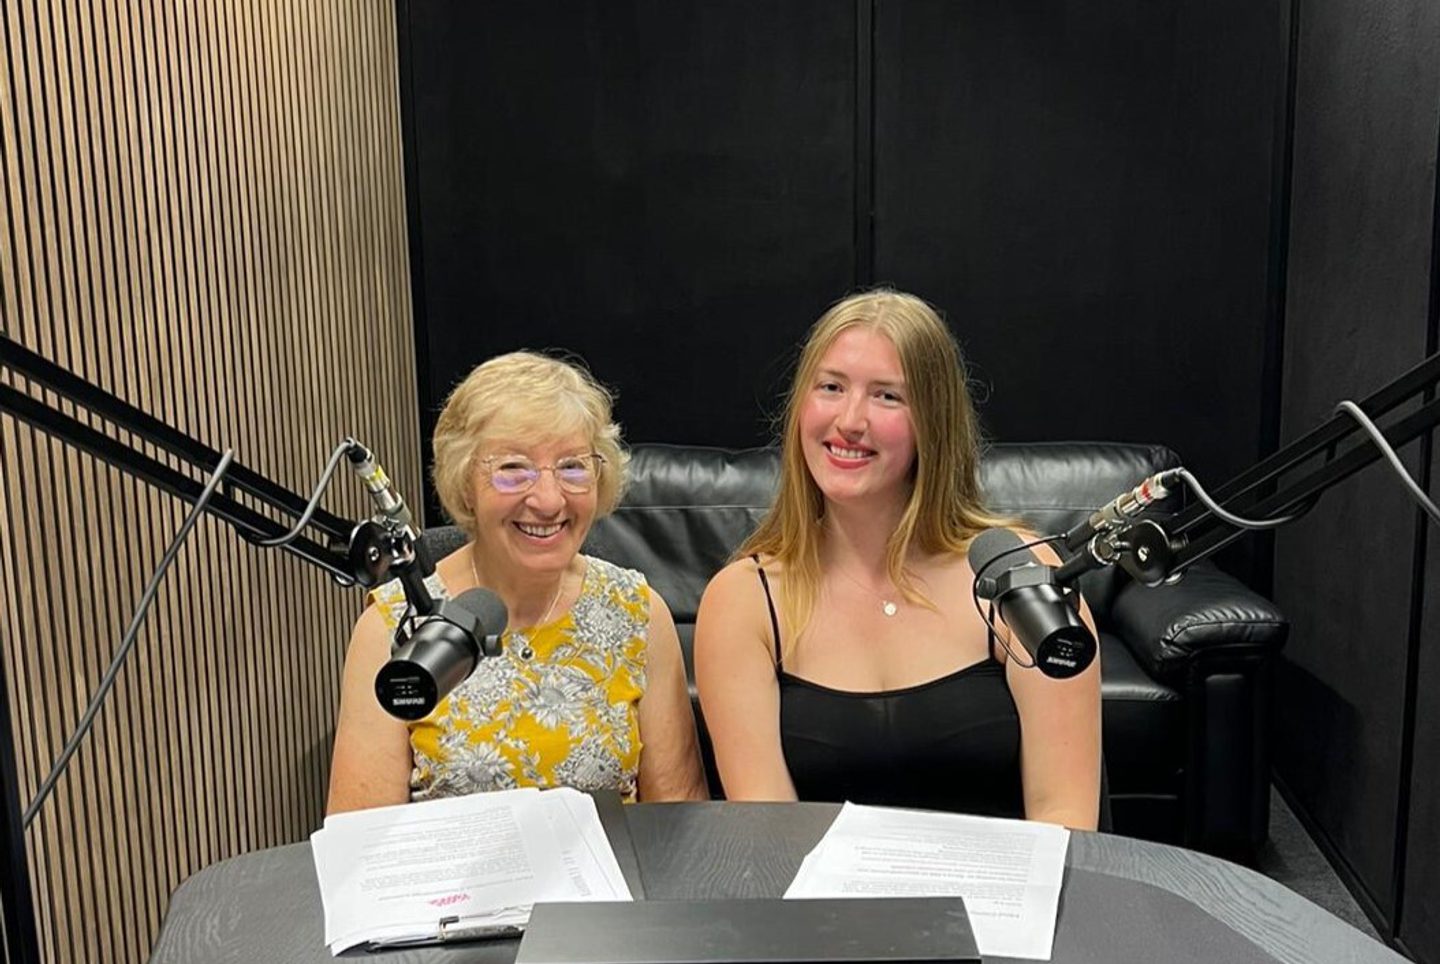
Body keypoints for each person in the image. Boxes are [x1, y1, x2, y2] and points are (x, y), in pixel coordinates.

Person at [694, 289, 1101, 828]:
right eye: (831, 387)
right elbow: (769, 836)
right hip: (822, 911)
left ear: (932, 421)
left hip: (1001, 902)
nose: (849, 420)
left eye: (887, 396)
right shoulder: (742, 599)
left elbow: (1065, 820)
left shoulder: (1018, 576)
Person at [327, 351, 708, 813]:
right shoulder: (396, 629)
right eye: (513, 470)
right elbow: (364, 846)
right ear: (466, 480)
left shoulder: (638, 613)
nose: (548, 500)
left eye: (572, 467)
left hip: (614, 883)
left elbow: (679, 821)